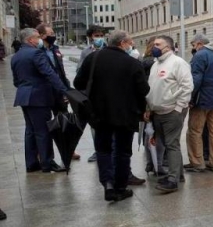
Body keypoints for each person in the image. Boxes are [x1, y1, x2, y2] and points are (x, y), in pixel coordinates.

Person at [74, 31, 149, 202]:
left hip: (99, 114)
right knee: (122, 152)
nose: (131, 45)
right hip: (126, 115)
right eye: (130, 42)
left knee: (103, 150)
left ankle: (108, 184)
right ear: (122, 43)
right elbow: (144, 90)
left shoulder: (93, 58)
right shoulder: (132, 63)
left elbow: (78, 83)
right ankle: (121, 187)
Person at [11, 28, 69, 173]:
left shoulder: (16, 56)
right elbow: (50, 74)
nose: (39, 40)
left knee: (30, 131)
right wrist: (64, 91)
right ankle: (47, 163)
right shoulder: (36, 53)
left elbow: (16, 81)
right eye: (37, 37)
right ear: (30, 40)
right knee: (43, 131)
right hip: (39, 97)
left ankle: (31, 163)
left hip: (24, 96)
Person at [145, 36, 193, 193]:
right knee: (168, 144)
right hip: (157, 111)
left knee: (171, 144)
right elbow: (152, 88)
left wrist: (178, 108)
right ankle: (178, 175)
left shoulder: (178, 63)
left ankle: (172, 180)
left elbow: (187, 86)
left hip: (172, 111)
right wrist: (149, 108)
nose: (154, 47)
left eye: (158, 44)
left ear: (169, 47)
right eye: (153, 44)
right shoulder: (155, 64)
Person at [185, 34, 213, 173]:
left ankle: (197, 162)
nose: (193, 48)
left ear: (199, 44)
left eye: (193, 45)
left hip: (202, 100)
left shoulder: (200, 55)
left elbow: (196, 80)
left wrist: (190, 98)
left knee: (194, 130)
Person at [37, 24, 81, 162]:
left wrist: (66, 89)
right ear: (42, 35)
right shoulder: (37, 51)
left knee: (64, 120)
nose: (53, 35)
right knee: (43, 124)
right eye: (50, 33)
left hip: (59, 90)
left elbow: (60, 71)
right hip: (44, 91)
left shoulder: (55, 49)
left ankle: (69, 149)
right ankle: (42, 152)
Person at [79, 25, 107, 163]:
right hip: (92, 95)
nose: (99, 38)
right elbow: (80, 71)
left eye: (101, 35)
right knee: (95, 124)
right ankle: (98, 151)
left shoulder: (109, 50)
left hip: (108, 93)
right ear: (91, 37)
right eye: (96, 35)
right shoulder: (86, 52)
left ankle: (108, 149)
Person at [141, 38, 167, 176]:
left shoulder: (143, 61)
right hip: (157, 102)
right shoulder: (156, 64)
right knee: (160, 134)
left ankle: (150, 163)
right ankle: (160, 163)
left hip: (147, 101)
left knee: (149, 133)